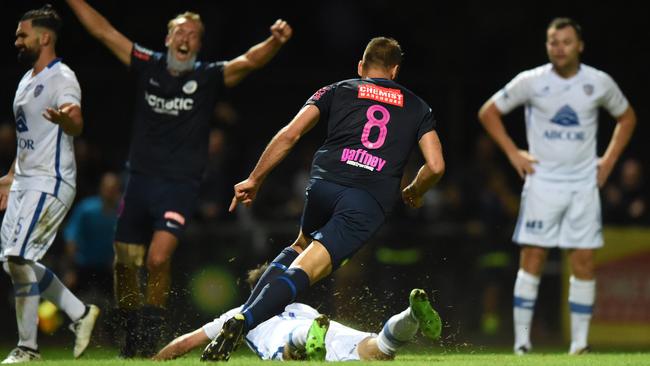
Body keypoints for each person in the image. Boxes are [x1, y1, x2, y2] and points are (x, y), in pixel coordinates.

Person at [64, 0, 293, 357]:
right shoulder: (147, 64)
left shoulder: (206, 76)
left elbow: (247, 62)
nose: (185, 38)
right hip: (139, 180)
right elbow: (103, 31)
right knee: (124, 261)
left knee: (157, 259)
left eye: (193, 34)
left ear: (199, 45)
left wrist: (275, 42)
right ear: (168, 37)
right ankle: (130, 326)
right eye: (180, 31)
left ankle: (150, 331)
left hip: (179, 185)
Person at [202, 36, 445, 361]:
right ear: (395, 70)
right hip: (365, 201)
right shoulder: (417, 106)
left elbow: (290, 134)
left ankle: (246, 312)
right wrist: (415, 190)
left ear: (361, 67)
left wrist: (254, 178)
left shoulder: (337, 89)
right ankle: (246, 320)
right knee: (306, 270)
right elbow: (437, 165)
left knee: (300, 245)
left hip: (324, 184)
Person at [477, 17, 637, 355]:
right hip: (542, 184)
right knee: (532, 256)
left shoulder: (598, 82)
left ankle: (579, 344)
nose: (559, 48)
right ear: (547, 45)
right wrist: (513, 153)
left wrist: (607, 162)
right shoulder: (532, 81)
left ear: (579, 45)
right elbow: (488, 112)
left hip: (582, 185)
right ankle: (521, 343)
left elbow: (627, 117)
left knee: (583, 261)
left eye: (565, 42)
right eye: (553, 42)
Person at [0, 5, 100, 363]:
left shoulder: (62, 77)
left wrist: (68, 120)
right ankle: (68, 320)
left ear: (44, 37)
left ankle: (35, 342)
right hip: (25, 180)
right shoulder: (26, 80)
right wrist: (10, 177)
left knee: (19, 257)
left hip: (51, 180)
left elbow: (74, 121)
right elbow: (29, 138)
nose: (17, 39)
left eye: (21, 33)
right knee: (14, 263)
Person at [154, 264, 441, 362]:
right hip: (329, 328)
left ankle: (305, 340)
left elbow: (186, 343)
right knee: (381, 349)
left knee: (291, 347)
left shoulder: (240, 313)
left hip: (294, 334)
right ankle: (411, 315)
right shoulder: (298, 305)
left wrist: (153, 361)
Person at [62, 172, 122, 297]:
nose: (109, 193)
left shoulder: (122, 214)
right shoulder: (86, 209)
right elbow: (71, 238)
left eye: (113, 189)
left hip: (107, 269)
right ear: (101, 189)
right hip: (82, 267)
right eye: (107, 189)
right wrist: (71, 270)